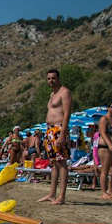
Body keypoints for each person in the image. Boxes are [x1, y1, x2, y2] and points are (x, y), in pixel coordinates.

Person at [37, 69, 72, 205]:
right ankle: (52, 194)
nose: (51, 81)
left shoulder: (65, 92)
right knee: (53, 163)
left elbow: (67, 113)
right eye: (48, 78)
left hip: (59, 129)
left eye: (53, 78)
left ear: (58, 79)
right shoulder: (52, 94)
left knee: (62, 163)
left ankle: (61, 196)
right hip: (50, 130)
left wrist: (62, 134)